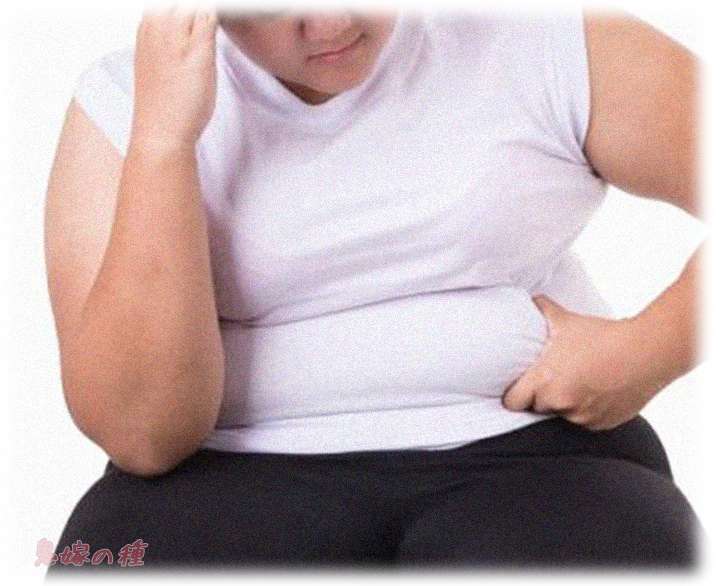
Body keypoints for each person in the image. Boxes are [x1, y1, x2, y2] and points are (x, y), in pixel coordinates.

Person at [43, 4, 704, 573]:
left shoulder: (540, 40)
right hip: (225, 470)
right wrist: (165, 140)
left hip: (539, 455)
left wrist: (649, 349)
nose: (331, 22)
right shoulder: (127, 101)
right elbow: (143, 434)